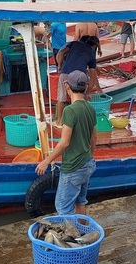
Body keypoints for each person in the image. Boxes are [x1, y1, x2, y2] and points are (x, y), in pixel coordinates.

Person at [36, 71, 97, 215]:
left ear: (66, 86)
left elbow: (64, 143)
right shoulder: (90, 108)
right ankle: (82, 233)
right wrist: (89, 156)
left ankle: (71, 236)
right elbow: (94, 138)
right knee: (80, 201)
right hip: (88, 163)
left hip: (73, 167)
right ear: (86, 86)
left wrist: (47, 161)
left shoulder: (69, 111)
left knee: (63, 207)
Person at [54, 35, 101, 126]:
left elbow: (60, 53)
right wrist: (87, 92)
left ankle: (59, 121)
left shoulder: (75, 43)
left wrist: (59, 66)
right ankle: (77, 122)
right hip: (80, 76)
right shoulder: (91, 54)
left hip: (65, 72)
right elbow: (92, 77)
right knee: (79, 98)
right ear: (94, 46)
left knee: (61, 98)